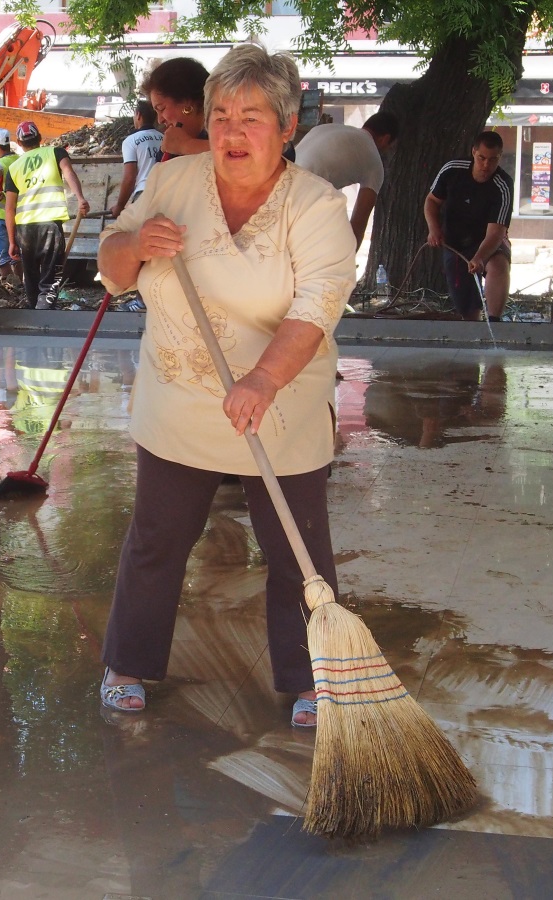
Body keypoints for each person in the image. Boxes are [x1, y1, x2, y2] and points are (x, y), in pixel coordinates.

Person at [96, 44, 357, 727]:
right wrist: (136, 245)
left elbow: (318, 305)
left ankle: (307, 676)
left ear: (288, 125)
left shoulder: (317, 205)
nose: (232, 132)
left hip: (282, 404)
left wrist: (264, 379)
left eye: (252, 117)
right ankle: (127, 660)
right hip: (181, 396)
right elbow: (113, 262)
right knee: (156, 539)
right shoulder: (176, 181)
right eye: (221, 115)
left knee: (297, 551)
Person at [424, 131, 514, 322]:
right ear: (473, 152)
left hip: (488, 240)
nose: (486, 165)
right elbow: (431, 201)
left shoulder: (503, 185)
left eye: (493, 159)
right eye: (482, 158)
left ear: (500, 157)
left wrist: (480, 257)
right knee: (467, 307)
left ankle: (495, 323)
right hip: (455, 241)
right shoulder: (452, 170)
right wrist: (434, 228)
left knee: (498, 265)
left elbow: (497, 231)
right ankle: (473, 327)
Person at [4, 120, 90, 310]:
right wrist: (80, 198)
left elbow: (9, 208)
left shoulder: (14, 168)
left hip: (25, 229)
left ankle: (35, 311)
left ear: (19, 143)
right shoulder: (55, 152)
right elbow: (68, 171)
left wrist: (12, 241)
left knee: (31, 275)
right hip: (50, 224)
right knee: (51, 274)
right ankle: (46, 312)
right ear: (40, 138)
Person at [294, 111, 399, 249]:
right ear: (385, 139)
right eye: (389, 147)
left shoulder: (325, 128)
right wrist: (347, 263)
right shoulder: (374, 163)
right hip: (302, 202)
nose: (386, 151)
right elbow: (358, 224)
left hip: (273, 186)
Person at [141, 56, 210, 160]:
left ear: (186, 101)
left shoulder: (226, 132)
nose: (160, 120)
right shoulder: (169, 149)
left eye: (161, 108)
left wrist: (187, 145)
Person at [110, 99, 164, 219]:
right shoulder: (165, 138)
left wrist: (119, 206)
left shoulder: (131, 141)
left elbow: (130, 177)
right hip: (166, 193)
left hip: (144, 194)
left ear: (138, 115)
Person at [0, 127, 21, 286]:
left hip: (2, 217)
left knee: (2, 258)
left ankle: (11, 287)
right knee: (17, 256)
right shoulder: (19, 160)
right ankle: (21, 286)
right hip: (21, 217)